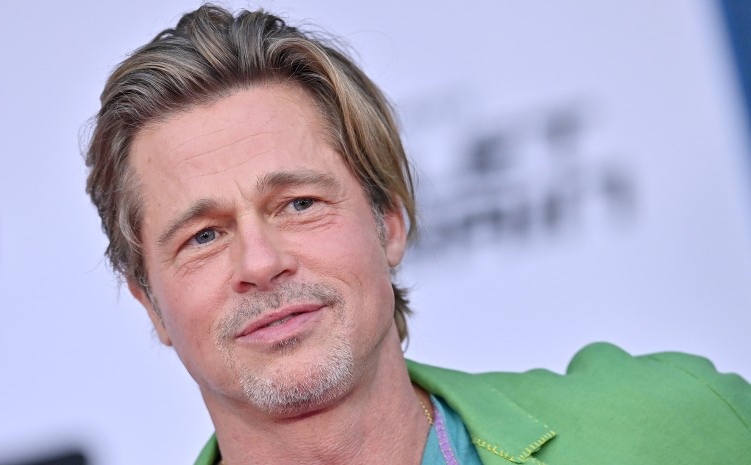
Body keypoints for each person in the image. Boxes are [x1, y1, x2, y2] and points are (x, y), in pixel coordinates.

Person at [84, 4, 751, 464]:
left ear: (389, 220)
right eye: (203, 236)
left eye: (298, 203)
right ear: (150, 301)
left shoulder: (673, 426)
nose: (260, 262)